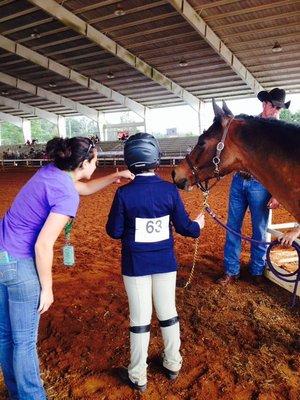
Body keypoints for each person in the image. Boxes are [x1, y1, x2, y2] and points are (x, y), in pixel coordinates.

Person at [0, 136, 133, 400]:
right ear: (84, 163)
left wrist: (114, 177)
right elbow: (43, 245)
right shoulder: (65, 194)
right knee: (25, 341)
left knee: (6, 335)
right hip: (21, 265)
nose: (97, 165)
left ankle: (16, 391)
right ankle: (31, 397)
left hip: (2, 254)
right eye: (96, 160)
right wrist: (47, 288)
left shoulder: (51, 172)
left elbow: (78, 187)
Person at [106, 132, 205, 392]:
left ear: (130, 161)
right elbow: (186, 228)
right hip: (165, 263)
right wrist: (199, 225)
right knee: (168, 313)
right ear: (155, 159)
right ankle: (173, 363)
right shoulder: (169, 191)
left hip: (135, 265)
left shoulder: (124, 194)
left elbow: (114, 231)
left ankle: (138, 375)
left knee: (139, 318)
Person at [218, 88, 291, 285]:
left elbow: (281, 166)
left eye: (279, 108)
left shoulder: (280, 133)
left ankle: (257, 269)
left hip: (261, 186)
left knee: (259, 229)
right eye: (274, 106)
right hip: (238, 181)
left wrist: (276, 194)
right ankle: (231, 270)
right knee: (233, 226)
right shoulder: (248, 126)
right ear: (265, 104)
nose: (276, 111)